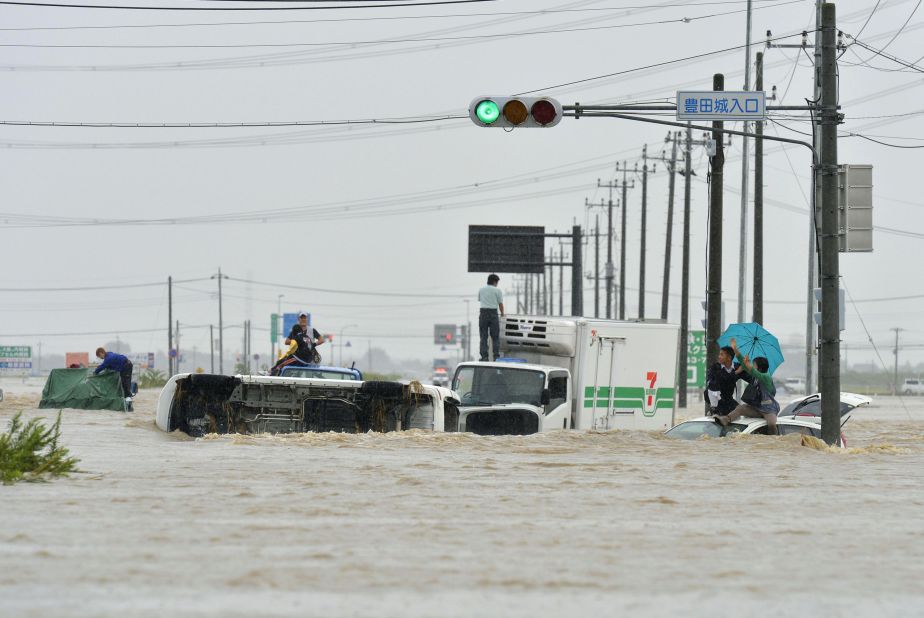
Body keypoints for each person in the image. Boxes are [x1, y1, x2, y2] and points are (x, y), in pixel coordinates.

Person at [714, 337, 781, 435]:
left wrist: (747, 364)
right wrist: (735, 349)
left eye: (754, 365)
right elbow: (744, 365)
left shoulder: (766, 377)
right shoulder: (754, 377)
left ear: (760, 367)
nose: (752, 366)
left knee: (771, 424)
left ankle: (773, 439)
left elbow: (752, 370)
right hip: (757, 408)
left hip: (769, 409)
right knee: (741, 408)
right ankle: (726, 419)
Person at [705, 345, 744, 416]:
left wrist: (748, 367)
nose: (719, 356)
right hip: (716, 398)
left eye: (721, 354)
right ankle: (714, 410)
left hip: (729, 400)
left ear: (729, 358)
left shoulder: (737, 367)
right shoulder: (715, 367)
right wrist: (736, 372)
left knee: (741, 412)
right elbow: (720, 379)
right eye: (719, 354)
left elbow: (751, 378)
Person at [478, 274, 505, 362]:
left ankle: (484, 357)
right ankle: (496, 356)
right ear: (495, 282)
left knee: (483, 336)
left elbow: (480, 300)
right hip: (493, 313)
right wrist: (502, 314)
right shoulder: (497, 290)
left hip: (483, 313)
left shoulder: (481, 290)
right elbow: (500, 304)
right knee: (495, 337)